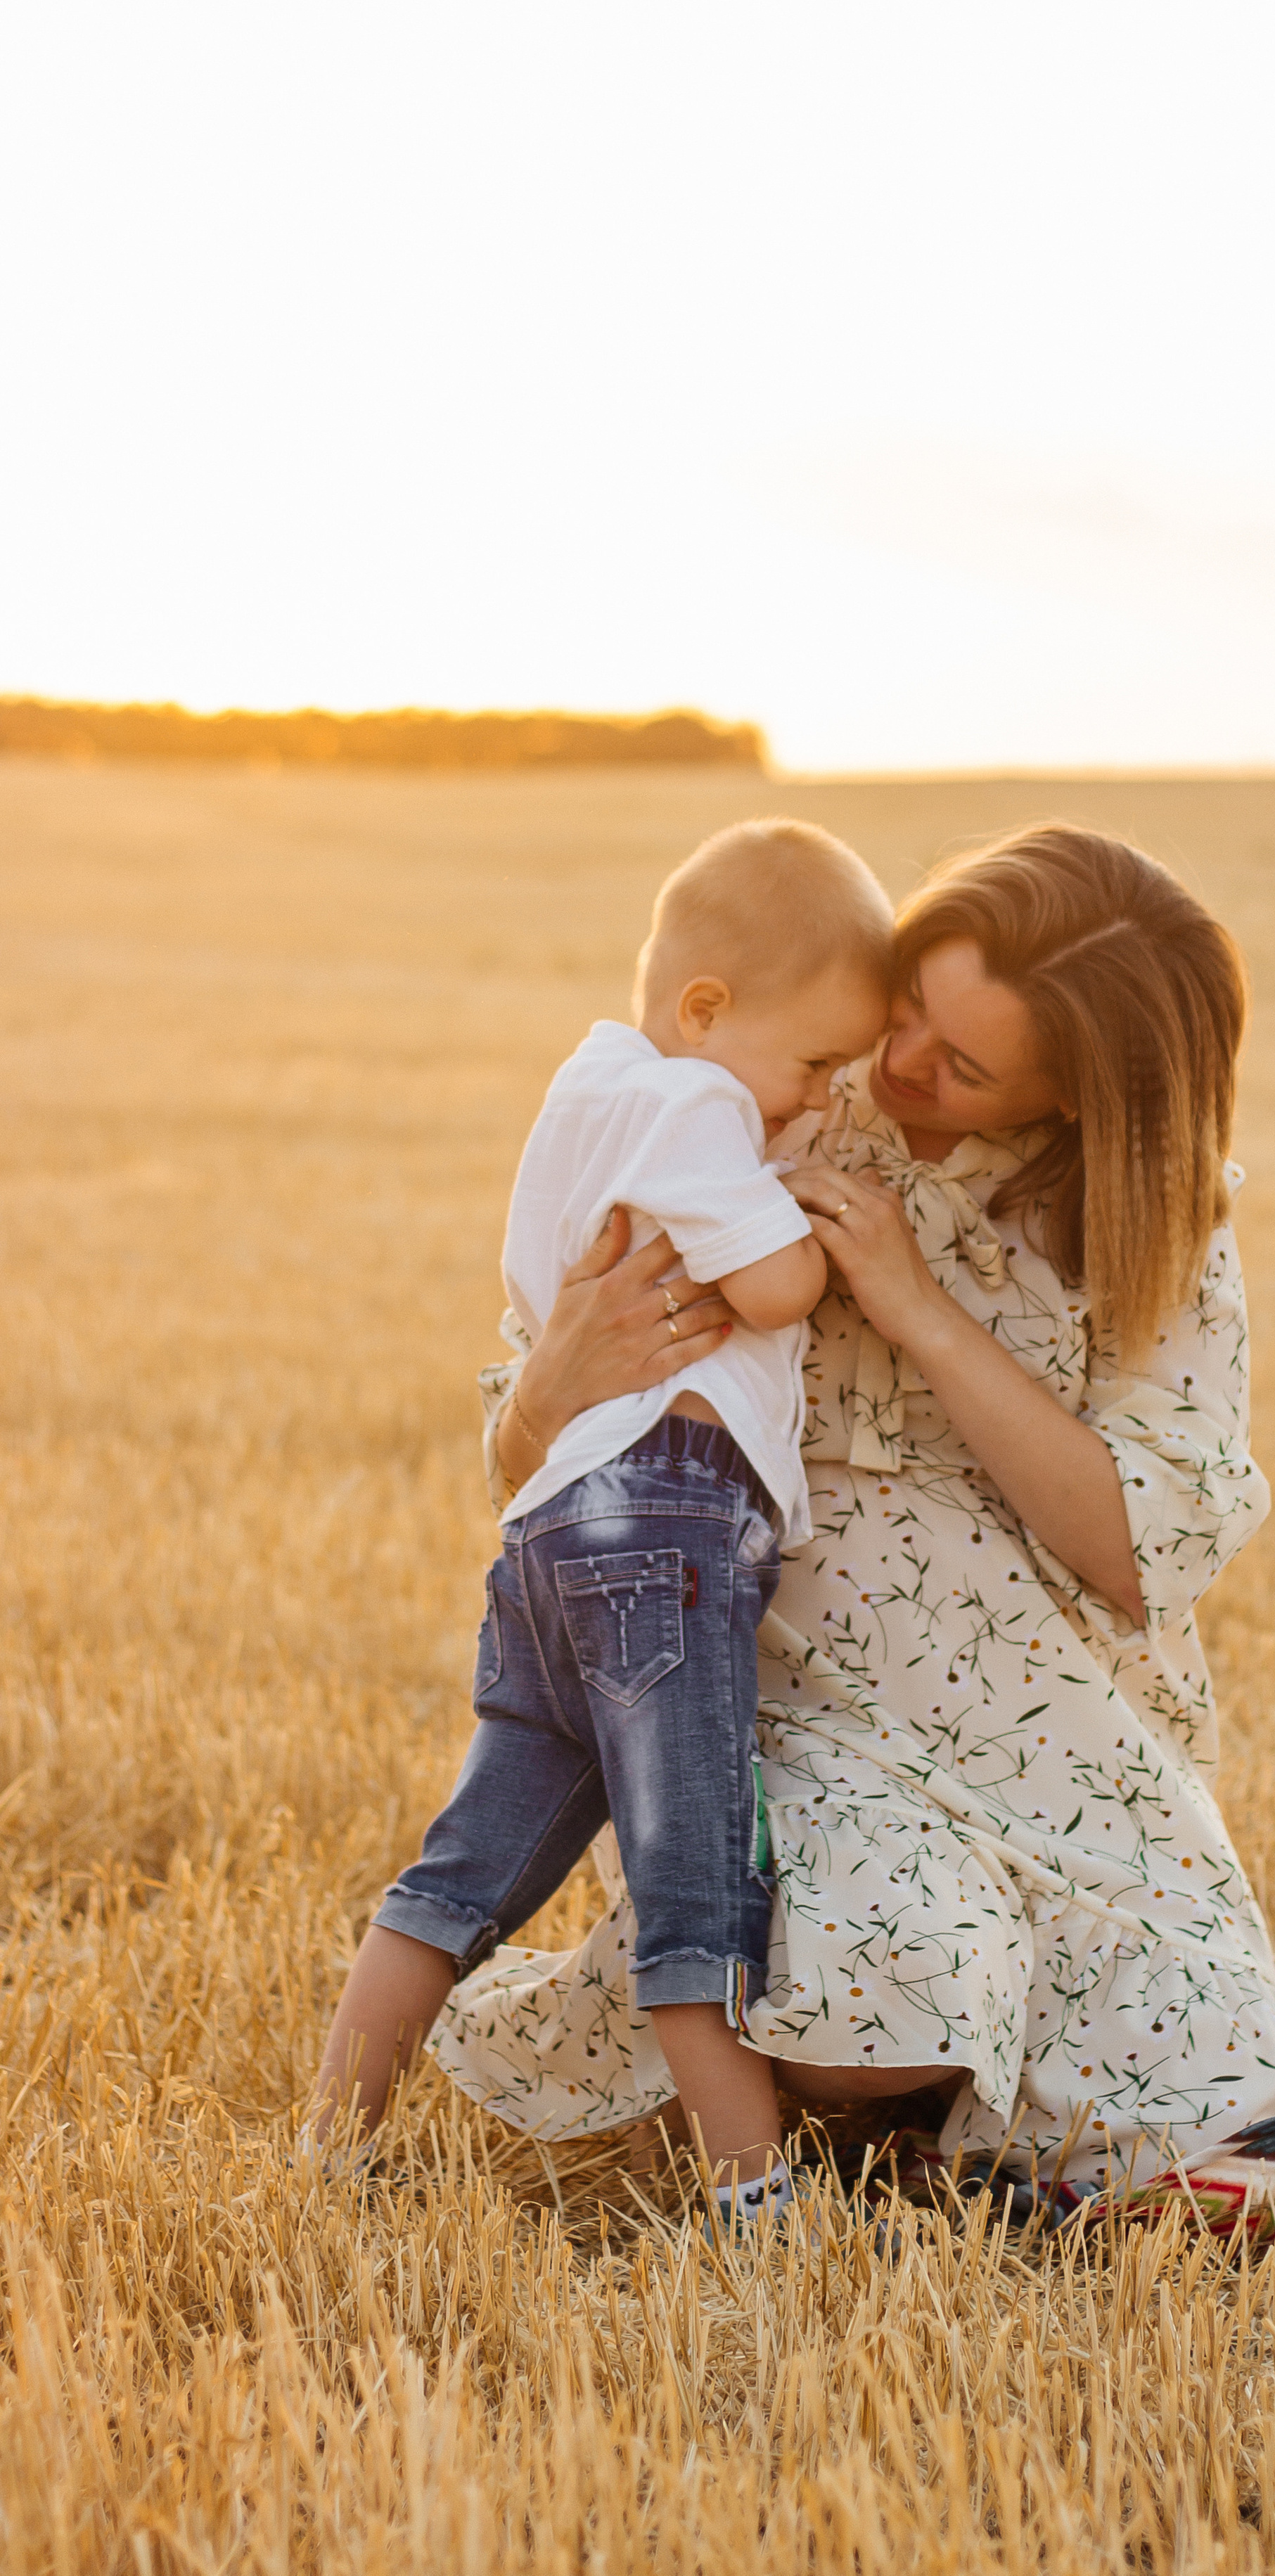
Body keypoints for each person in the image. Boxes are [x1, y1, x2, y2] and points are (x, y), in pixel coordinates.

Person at [425, 821, 1275, 2186]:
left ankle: (912, 2073)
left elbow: (1145, 1550)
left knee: (1204, 2101)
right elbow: (526, 1463)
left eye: (961, 1065)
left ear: (1073, 1098)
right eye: (907, 1015)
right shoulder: (770, 1090)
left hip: (1044, 1723)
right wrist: (548, 1385)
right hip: (783, 1686)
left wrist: (919, 1310)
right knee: (880, 2003)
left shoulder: (1153, 1220)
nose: (897, 1069)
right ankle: (824, 2074)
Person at [306, 819, 892, 2226]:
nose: (819, 1092)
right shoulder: (694, 1111)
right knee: (695, 1878)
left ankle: (330, 2146)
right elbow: (771, 1292)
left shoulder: (588, 1086)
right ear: (705, 1012)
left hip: (557, 1527)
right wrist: (807, 1192)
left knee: (462, 1871)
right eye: (812, 1061)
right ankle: (759, 2200)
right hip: (667, 1531)